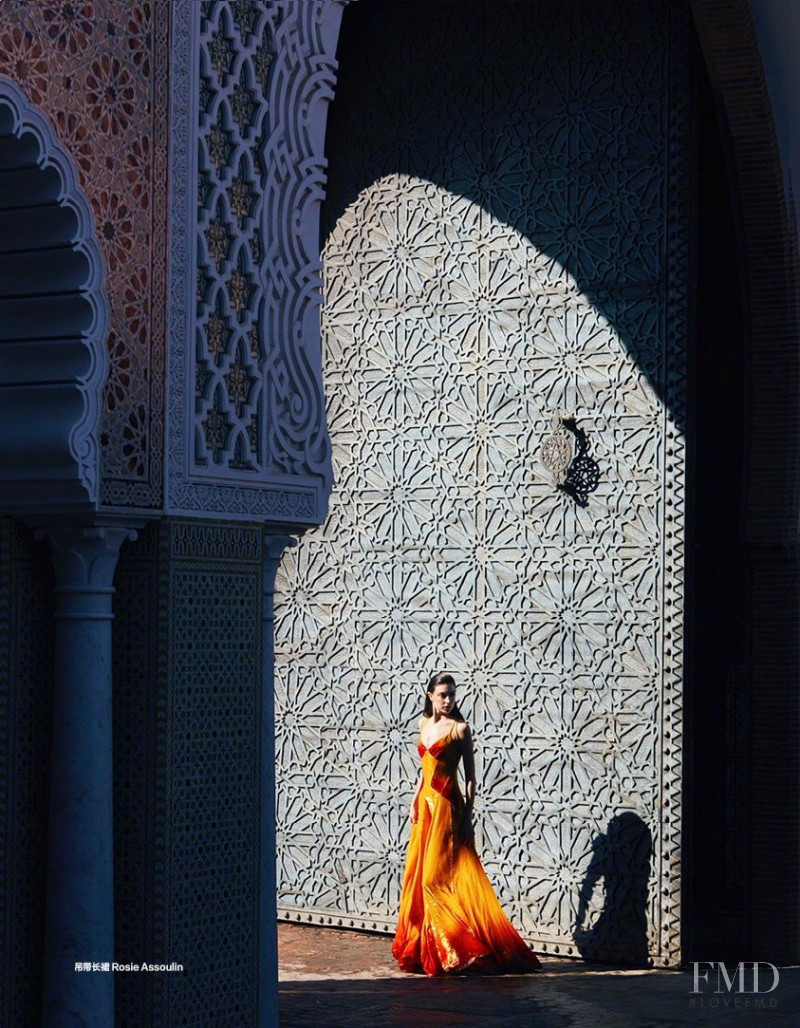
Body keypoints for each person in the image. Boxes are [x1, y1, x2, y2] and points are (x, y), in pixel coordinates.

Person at [392, 671, 541, 976]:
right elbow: (424, 770)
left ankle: (460, 949)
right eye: (442, 694)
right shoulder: (422, 725)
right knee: (418, 877)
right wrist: (414, 799)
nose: (448, 700)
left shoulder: (460, 729)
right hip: (425, 808)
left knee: (434, 879)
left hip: (448, 807)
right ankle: (432, 949)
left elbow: (471, 778)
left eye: (452, 695)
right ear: (431, 695)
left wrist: (468, 816)